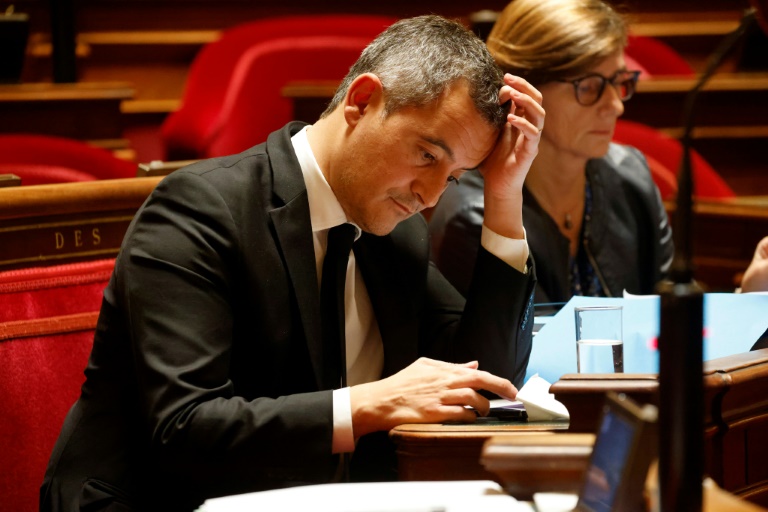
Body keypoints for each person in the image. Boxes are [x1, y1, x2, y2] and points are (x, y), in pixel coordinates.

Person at [40, 15, 545, 512]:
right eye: (428, 155)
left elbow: (484, 383)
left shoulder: (394, 230)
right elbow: (184, 427)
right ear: (362, 101)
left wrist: (504, 194)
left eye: (454, 177)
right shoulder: (202, 208)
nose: (431, 196)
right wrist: (371, 404)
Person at [429, 0, 674, 303]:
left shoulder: (631, 175)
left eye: (619, 82)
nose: (615, 105)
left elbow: (671, 308)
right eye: (589, 87)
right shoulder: (473, 217)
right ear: (523, 91)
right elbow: (523, 332)